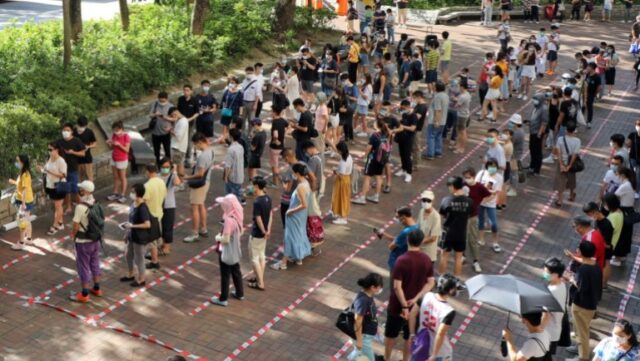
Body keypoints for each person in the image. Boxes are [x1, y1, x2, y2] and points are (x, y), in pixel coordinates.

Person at [384, 229, 435, 361]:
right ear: (421, 242)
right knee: (409, 336)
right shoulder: (426, 259)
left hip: (397, 306)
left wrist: (404, 306)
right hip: (416, 307)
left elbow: (397, 287)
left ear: (407, 241)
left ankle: (387, 358)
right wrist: (416, 298)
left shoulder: (401, 260)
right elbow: (430, 283)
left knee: (390, 335)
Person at [564, 241, 602, 361]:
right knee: (579, 329)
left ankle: (582, 357)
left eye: (578, 249)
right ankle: (578, 347)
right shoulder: (594, 264)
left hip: (582, 305)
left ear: (581, 252)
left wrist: (571, 279)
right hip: (591, 303)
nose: (577, 250)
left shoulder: (584, 270)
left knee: (582, 333)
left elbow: (581, 287)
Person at [408, 273, 460, 361]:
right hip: (438, 351)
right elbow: (440, 334)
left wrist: (412, 334)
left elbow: (412, 314)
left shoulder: (426, 296)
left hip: (421, 343)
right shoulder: (449, 311)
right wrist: (434, 355)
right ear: (450, 290)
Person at [271, 163, 312, 270]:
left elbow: (304, 204)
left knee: (289, 237)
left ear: (297, 173)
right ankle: (298, 258)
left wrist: (291, 211)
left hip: (295, 216)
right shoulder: (306, 183)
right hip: (301, 216)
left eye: (294, 172)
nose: (292, 174)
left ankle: (283, 262)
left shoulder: (300, 187)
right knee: (299, 234)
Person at [69, 180, 104, 302]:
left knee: (83, 266)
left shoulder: (80, 207)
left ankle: (84, 294)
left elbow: (76, 225)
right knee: (94, 263)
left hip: (83, 242)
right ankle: (97, 288)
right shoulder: (96, 202)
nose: (79, 191)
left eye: (81, 189)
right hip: (95, 241)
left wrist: (73, 235)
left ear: (84, 191)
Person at [210, 194, 245, 307]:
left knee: (225, 274)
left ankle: (223, 298)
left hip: (226, 251)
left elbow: (225, 239)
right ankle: (240, 293)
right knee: (236, 270)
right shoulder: (238, 216)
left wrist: (217, 237)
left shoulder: (229, 220)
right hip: (235, 250)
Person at [439, 176, 473, 276]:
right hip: (461, 233)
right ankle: (456, 280)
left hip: (447, 233)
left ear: (453, 186)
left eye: (449, 186)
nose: (449, 189)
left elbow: (441, 215)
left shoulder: (446, 200)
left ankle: (441, 279)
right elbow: (470, 215)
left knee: (444, 256)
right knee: (458, 258)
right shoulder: (469, 201)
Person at [183, 133, 214, 243]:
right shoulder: (210, 151)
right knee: (201, 205)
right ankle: (203, 228)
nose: (195, 147)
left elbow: (200, 174)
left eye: (195, 144)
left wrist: (187, 177)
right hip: (206, 182)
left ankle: (194, 233)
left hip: (199, 184)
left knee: (194, 208)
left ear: (200, 142)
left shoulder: (203, 156)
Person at [353, 118, 391, 204]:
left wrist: (365, 156)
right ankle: (376, 196)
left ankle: (362, 197)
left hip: (372, 158)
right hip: (382, 159)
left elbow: (369, 148)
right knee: (379, 176)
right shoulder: (386, 133)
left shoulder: (374, 135)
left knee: (367, 177)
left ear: (377, 125)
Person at [120, 183, 151, 287]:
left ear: (138, 194)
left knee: (139, 259)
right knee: (128, 255)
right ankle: (130, 274)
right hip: (131, 236)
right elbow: (130, 220)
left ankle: (141, 279)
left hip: (139, 238)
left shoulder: (142, 208)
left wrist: (132, 226)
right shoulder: (133, 204)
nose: (131, 193)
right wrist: (127, 233)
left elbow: (147, 224)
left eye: (133, 192)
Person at [349, 273, 384, 361]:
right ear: (373, 287)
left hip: (367, 335)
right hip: (364, 338)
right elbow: (358, 321)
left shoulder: (367, 295)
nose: (380, 289)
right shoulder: (362, 301)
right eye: (379, 287)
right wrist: (360, 341)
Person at [463, 168, 492, 273]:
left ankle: (476, 261)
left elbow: (489, 195)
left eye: (469, 177)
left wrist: (480, 202)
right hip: (462, 216)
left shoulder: (479, 187)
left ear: (474, 177)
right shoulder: (463, 185)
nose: (467, 180)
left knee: (473, 239)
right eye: (465, 178)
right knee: (461, 237)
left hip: (473, 217)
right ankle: (462, 255)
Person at [248, 177, 272, 291]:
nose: (252, 188)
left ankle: (260, 283)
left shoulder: (257, 201)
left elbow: (258, 218)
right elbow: (271, 214)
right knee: (262, 255)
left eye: (253, 185)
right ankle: (259, 278)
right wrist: (268, 230)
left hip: (257, 233)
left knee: (254, 258)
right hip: (264, 233)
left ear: (257, 186)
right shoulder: (268, 198)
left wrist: (263, 231)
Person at [476, 159, 504, 253]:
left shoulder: (499, 177)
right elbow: (476, 186)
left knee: (493, 224)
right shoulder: (481, 174)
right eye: (491, 166)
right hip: (480, 202)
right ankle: (481, 239)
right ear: (487, 166)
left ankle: (495, 243)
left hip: (491, 203)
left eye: (494, 166)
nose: (493, 168)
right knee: (481, 221)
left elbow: (496, 192)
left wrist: (488, 197)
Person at [58, 122, 87, 215]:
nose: (65, 132)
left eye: (68, 130)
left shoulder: (76, 141)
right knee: (66, 190)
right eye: (64, 130)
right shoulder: (59, 142)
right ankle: (69, 207)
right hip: (62, 170)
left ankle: (81, 207)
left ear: (71, 132)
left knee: (75, 189)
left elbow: (83, 153)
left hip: (73, 169)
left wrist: (73, 152)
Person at [583, 202, 614, 288]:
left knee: (605, 265)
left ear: (595, 211)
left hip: (605, 250)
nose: (590, 217)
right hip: (598, 249)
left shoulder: (607, 225)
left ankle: (603, 284)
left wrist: (596, 239)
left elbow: (607, 245)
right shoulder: (597, 221)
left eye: (590, 214)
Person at [541, 257, 567, 355]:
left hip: (547, 333)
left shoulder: (552, 292)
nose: (544, 273)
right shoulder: (562, 285)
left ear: (555, 274)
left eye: (546, 271)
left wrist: (539, 330)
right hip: (555, 331)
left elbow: (546, 315)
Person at [142, 164, 166, 270]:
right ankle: (154, 258)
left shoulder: (147, 186)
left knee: (151, 241)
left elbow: (144, 202)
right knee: (155, 239)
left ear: (148, 171)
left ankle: (154, 261)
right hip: (159, 213)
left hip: (150, 216)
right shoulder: (161, 182)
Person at [41, 142, 67, 236]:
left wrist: (49, 171)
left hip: (59, 185)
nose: (49, 151)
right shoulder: (50, 159)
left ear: (57, 150)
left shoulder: (61, 161)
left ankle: (55, 226)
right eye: (48, 149)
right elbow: (45, 169)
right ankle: (60, 223)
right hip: (51, 185)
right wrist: (42, 169)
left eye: (50, 149)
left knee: (58, 206)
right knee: (58, 206)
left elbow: (63, 175)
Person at [9, 154, 33, 250]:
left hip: (24, 202)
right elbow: (21, 186)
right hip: (26, 200)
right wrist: (14, 182)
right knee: (26, 220)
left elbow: (24, 190)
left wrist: (23, 205)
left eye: (18, 161)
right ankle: (29, 239)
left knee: (21, 222)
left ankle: (21, 243)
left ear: (22, 162)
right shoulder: (23, 173)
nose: (16, 163)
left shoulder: (25, 174)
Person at [553, 124, 580, 207]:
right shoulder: (577, 141)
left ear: (566, 130)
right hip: (571, 163)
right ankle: (572, 195)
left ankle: (560, 200)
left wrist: (561, 164)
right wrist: (569, 165)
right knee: (571, 179)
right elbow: (575, 154)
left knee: (560, 181)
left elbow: (558, 152)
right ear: (574, 130)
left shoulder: (561, 139)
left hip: (562, 162)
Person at [159, 158, 181, 255]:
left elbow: (177, 183)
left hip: (169, 206)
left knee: (167, 227)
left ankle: (167, 247)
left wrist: (175, 171)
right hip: (159, 206)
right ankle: (163, 244)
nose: (165, 169)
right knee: (161, 227)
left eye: (167, 167)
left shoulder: (172, 176)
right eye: (163, 167)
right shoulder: (157, 176)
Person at [106, 121, 131, 204]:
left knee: (122, 177)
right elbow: (112, 147)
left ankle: (123, 194)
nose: (115, 132)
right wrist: (110, 143)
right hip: (114, 158)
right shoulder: (114, 135)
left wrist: (119, 145)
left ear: (121, 129)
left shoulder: (126, 136)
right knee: (115, 176)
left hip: (122, 159)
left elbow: (127, 150)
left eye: (117, 130)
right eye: (114, 130)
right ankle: (115, 193)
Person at [424, 82, 449, 161]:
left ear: (436, 88)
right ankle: (438, 151)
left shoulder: (437, 97)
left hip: (435, 121)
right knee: (438, 136)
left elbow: (437, 110)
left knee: (431, 137)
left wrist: (436, 121)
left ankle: (430, 154)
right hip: (443, 121)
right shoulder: (446, 95)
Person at [394, 100, 417, 183]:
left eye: (403, 107)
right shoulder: (404, 114)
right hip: (401, 137)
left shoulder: (413, 116)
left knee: (407, 156)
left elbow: (413, 128)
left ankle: (409, 173)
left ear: (407, 106)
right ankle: (403, 169)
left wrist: (402, 126)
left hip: (408, 138)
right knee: (402, 154)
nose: (402, 109)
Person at [417, 190, 442, 265]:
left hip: (428, 254)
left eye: (428, 200)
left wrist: (418, 243)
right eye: (424, 200)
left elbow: (433, 237)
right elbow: (417, 227)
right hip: (418, 251)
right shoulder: (421, 211)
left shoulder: (436, 217)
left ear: (432, 201)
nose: (425, 202)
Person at [177, 84, 199, 166]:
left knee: (189, 141)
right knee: (180, 140)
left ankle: (188, 158)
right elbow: (177, 111)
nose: (186, 92)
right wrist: (181, 118)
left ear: (191, 91)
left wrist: (189, 119)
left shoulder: (194, 100)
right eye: (184, 90)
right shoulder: (180, 99)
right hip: (181, 123)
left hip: (190, 123)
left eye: (187, 90)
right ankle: (180, 157)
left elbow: (197, 113)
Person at [331, 141, 353, 225]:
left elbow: (341, 175)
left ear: (340, 150)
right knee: (342, 198)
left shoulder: (343, 162)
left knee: (342, 198)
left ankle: (343, 217)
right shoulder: (349, 157)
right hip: (347, 179)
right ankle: (340, 214)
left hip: (342, 181)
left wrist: (335, 171)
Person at [149, 91, 173, 164]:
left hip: (166, 132)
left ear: (167, 99)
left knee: (167, 150)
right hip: (155, 132)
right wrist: (155, 114)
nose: (162, 102)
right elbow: (150, 115)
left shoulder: (170, 106)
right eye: (160, 101)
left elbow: (174, 118)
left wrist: (165, 117)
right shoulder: (155, 104)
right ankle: (158, 165)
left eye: (163, 101)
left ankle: (168, 164)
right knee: (156, 151)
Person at [219, 76, 244, 143]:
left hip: (235, 112)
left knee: (233, 127)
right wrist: (223, 108)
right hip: (226, 111)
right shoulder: (227, 91)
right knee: (225, 125)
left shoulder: (240, 93)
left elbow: (241, 105)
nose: (231, 84)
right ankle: (224, 139)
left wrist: (240, 115)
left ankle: (232, 140)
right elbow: (223, 100)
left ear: (237, 84)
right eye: (230, 82)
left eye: (233, 83)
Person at [246, 118, 266, 196]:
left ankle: (252, 189)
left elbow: (252, 147)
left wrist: (250, 140)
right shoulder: (263, 132)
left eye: (253, 125)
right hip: (258, 154)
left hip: (254, 155)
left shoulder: (257, 136)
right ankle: (260, 187)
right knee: (254, 172)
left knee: (252, 173)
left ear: (255, 125)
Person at [168, 107, 189, 181]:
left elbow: (178, 136)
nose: (173, 117)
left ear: (175, 112)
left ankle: (180, 181)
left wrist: (170, 131)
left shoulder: (182, 122)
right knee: (180, 164)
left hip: (177, 147)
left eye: (172, 115)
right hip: (179, 147)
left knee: (177, 166)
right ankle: (181, 181)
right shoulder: (181, 120)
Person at [74, 116, 96, 182]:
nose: (81, 128)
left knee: (89, 178)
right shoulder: (74, 132)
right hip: (77, 159)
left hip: (87, 159)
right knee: (79, 179)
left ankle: (89, 191)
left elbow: (94, 144)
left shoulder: (89, 132)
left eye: (83, 126)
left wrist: (88, 146)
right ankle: (81, 192)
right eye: (80, 126)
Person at [240, 67, 260, 133]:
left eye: (250, 73)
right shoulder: (244, 80)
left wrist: (255, 104)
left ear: (253, 72)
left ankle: (249, 134)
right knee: (243, 119)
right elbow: (242, 91)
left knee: (250, 120)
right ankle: (242, 132)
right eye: (247, 73)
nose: (248, 74)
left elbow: (257, 94)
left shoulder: (256, 81)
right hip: (244, 102)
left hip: (252, 103)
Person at [454, 81, 472, 153]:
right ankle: (458, 145)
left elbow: (457, 105)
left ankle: (461, 148)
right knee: (459, 131)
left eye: (459, 86)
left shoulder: (462, 96)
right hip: (466, 114)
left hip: (462, 115)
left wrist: (454, 100)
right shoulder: (467, 94)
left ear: (462, 87)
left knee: (462, 132)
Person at [584, 63, 601, 129]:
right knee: (582, 107)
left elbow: (599, 87)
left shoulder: (597, 77)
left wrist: (594, 94)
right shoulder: (587, 74)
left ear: (592, 68)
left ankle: (589, 122)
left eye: (588, 67)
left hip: (591, 94)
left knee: (589, 108)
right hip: (584, 93)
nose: (587, 68)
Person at [626, 119, 640, 196]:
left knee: (638, 175)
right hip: (632, 157)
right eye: (637, 125)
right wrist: (627, 144)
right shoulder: (632, 135)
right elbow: (628, 144)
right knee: (632, 174)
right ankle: (631, 188)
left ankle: (637, 191)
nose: (638, 127)